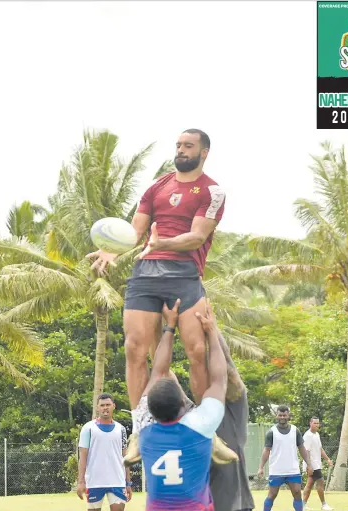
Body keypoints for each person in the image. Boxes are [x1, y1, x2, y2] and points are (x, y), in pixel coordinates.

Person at [87, 129, 233, 463]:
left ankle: (205, 432)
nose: (181, 150)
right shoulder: (157, 187)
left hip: (184, 276)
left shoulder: (212, 191)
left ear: (204, 152)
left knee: (198, 351)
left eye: (188, 146)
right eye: (178, 145)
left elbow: (197, 237)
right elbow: (136, 232)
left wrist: (163, 243)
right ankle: (141, 430)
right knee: (134, 350)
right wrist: (113, 251)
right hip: (146, 275)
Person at [136, 298, 228, 510]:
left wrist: (168, 327)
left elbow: (158, 371)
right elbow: (219, 379)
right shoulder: (199, 425)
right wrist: (211, 332)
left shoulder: (144, 426)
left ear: (150, 407)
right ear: (182, 404)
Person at [209, 331, 255, 511]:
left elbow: (227, 362)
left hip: (239, 505)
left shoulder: (235, 412)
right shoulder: (198, 414)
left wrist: (213, 330)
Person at [77, 393, 132, 510]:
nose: (105, 407)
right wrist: (81, 481)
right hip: (94, 482)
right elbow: (83, 457)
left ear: (114, 406)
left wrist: (128, 483)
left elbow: (125, 456)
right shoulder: (88, 428)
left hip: (117, 481)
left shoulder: (121, 429)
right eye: (102, 405)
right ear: (97, 407)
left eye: (108, 404)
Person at [258, 405, 313, 511]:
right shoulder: (271, 432)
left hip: (292, 469)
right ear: (276, 416)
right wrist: (261, 467)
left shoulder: (295, 430)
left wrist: (309, 464)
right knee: (272, 494)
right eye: (280, 415)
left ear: (288, 416)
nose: (282, 417)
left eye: (284, 415)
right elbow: (266, 450)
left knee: (297, 493)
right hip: (276, 470)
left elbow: (302, 448)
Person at [302, 417, 334, 511]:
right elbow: (306, 451)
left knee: (310, 484)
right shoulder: (307, 435)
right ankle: (324, 505)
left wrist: (327, 459)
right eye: (314, 423)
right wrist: (309, 465)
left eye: (318, 423)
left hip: (317, 464)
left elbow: (320, 449)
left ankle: (303, 504)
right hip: (311, 464)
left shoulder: (317, 434)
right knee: (319, 482)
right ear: (310, 423)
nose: (316, 425)